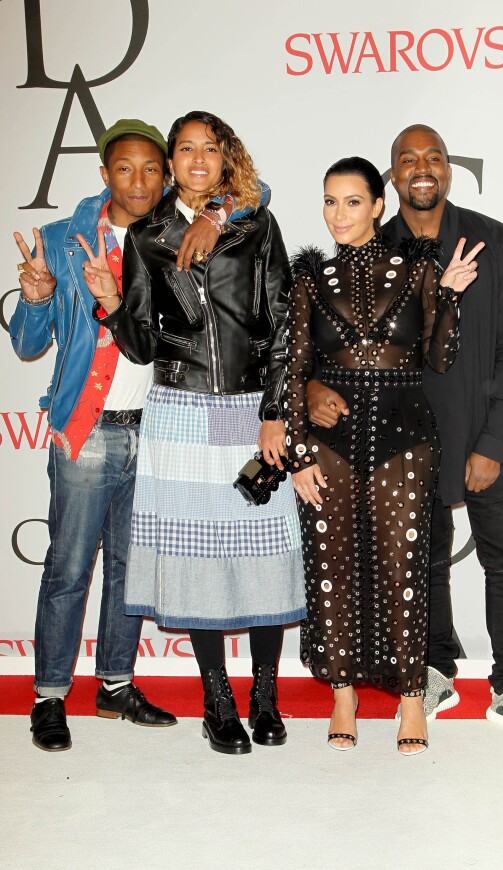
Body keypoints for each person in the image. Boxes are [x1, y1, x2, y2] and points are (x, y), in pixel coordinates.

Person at [307, 125, 503, 746]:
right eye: (407, 159)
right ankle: (438, 669)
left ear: (449, 170)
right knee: (423, 565)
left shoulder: (495, 243)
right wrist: (312, 389)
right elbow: (331, 346)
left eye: (434, 158)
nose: (422, 168)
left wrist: (493, 442)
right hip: (405, 444)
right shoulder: (373, 248)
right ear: (391, 179)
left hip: (485, 437)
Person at [78, 110, 306, 756]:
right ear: (172, 161)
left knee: (265, 556)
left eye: (211, 148)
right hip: (179, 415)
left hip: (250, 414)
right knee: (198, 562)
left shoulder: (255, 221)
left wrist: (275, 412)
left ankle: (266, 695)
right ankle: (218, 702)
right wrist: (113, 302)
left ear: (225, 157)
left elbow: (284, 321)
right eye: (187, 149)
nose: (199, 160)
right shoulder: (147, 239)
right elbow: (144, 344)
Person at [286, 156, 482, 754]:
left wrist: (448, 296)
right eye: (328, 201)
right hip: (332, 442)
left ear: (377, 206)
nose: (337, 214)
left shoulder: (419, 268)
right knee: (331, 567)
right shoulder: (310, 279)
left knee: (405, 570)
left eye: (351, 201)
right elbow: (293, 370)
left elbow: (440, 359)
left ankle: (412, 700)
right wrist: (296, 455)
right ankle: (342, 694)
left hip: (405, 436)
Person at [9, 119, 178, 751]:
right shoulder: (62, 241)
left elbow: (255, 192)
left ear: (166, 176)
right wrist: (34, 298)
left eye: (152, 169)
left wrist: (205, 202)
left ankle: (115, 686)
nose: (139, 181)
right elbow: (28, 346)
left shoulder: (177, 239)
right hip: (89, 433)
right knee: (69, 569)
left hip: (157, 434)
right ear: (104, 173)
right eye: (125, 168)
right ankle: (50, 696)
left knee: (131, 573)